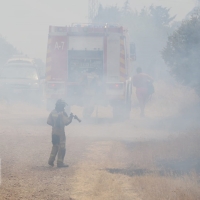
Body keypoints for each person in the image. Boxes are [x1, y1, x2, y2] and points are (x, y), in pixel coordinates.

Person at [47, 99, 73, 168]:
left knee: (55, 146)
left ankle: (51, 160)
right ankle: (60, 162)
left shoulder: (53, 112)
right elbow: (66, 122)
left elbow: (48, 121)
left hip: (54, 132)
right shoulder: (62, 113)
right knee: (62, 147)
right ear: (61, 106)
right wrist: (70, 118)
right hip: (60, 132)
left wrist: (54, 125)